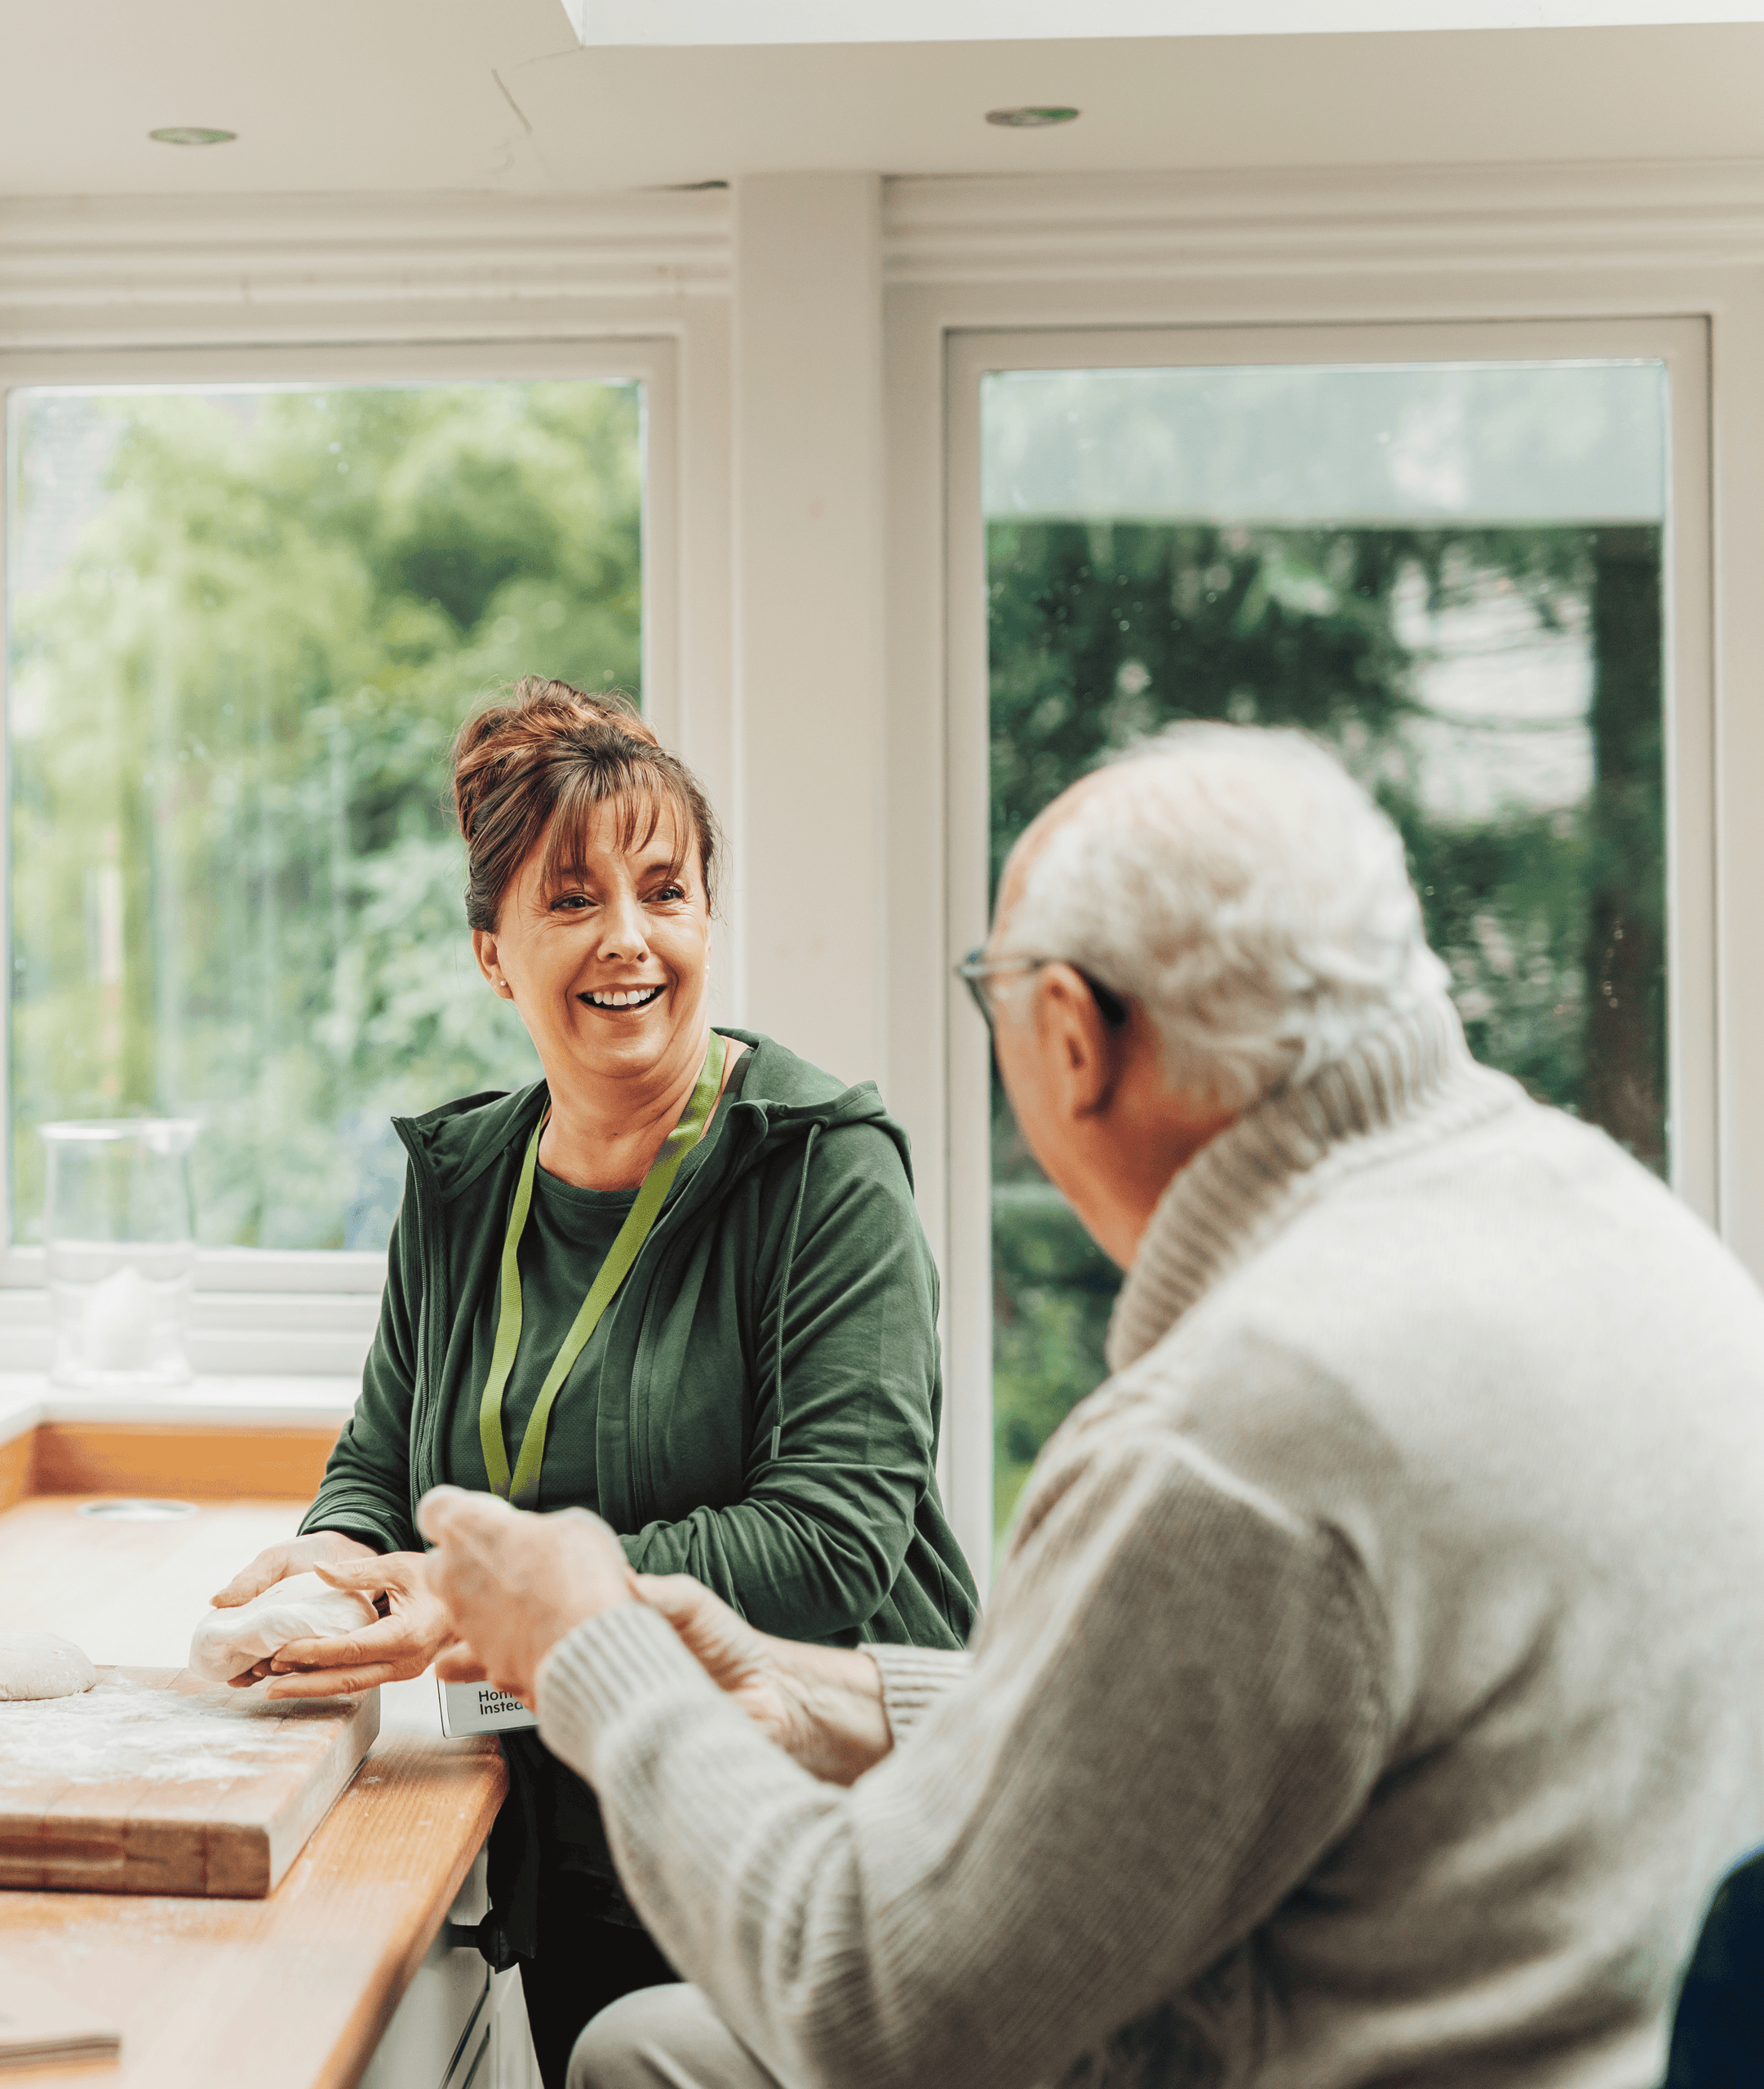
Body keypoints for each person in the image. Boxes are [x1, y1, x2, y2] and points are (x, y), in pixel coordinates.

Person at [414, 722, 1764, 2089]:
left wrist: (597, 1654)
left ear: (1067, 1033)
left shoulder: (1238, 1440)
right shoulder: (1636, 1233)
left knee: (639, 2057)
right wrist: (834, 1694)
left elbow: (871, 2001)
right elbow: (1224, 1717)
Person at [208, 679, 975, 2082]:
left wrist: (498, 1606)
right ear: (494, 951)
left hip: (819, 1830)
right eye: (572, 900)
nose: (630, 939)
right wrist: (333, 1559)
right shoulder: (461, 1180)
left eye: (665, 891)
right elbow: (386, 1458)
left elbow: (828, 1550)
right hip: (569, 1839)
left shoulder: (822, 1166)